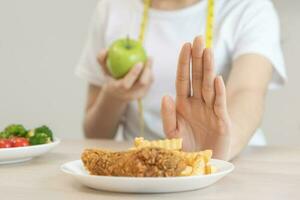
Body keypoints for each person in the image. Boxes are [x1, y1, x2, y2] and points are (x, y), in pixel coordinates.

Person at [75, 0, 286, 160]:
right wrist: (114, 96)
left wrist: (217, 148)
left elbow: (247, 92)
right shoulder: (114, 7)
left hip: (231, 165)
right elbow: (95, 133)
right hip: (145, 169)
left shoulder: (248, 7)